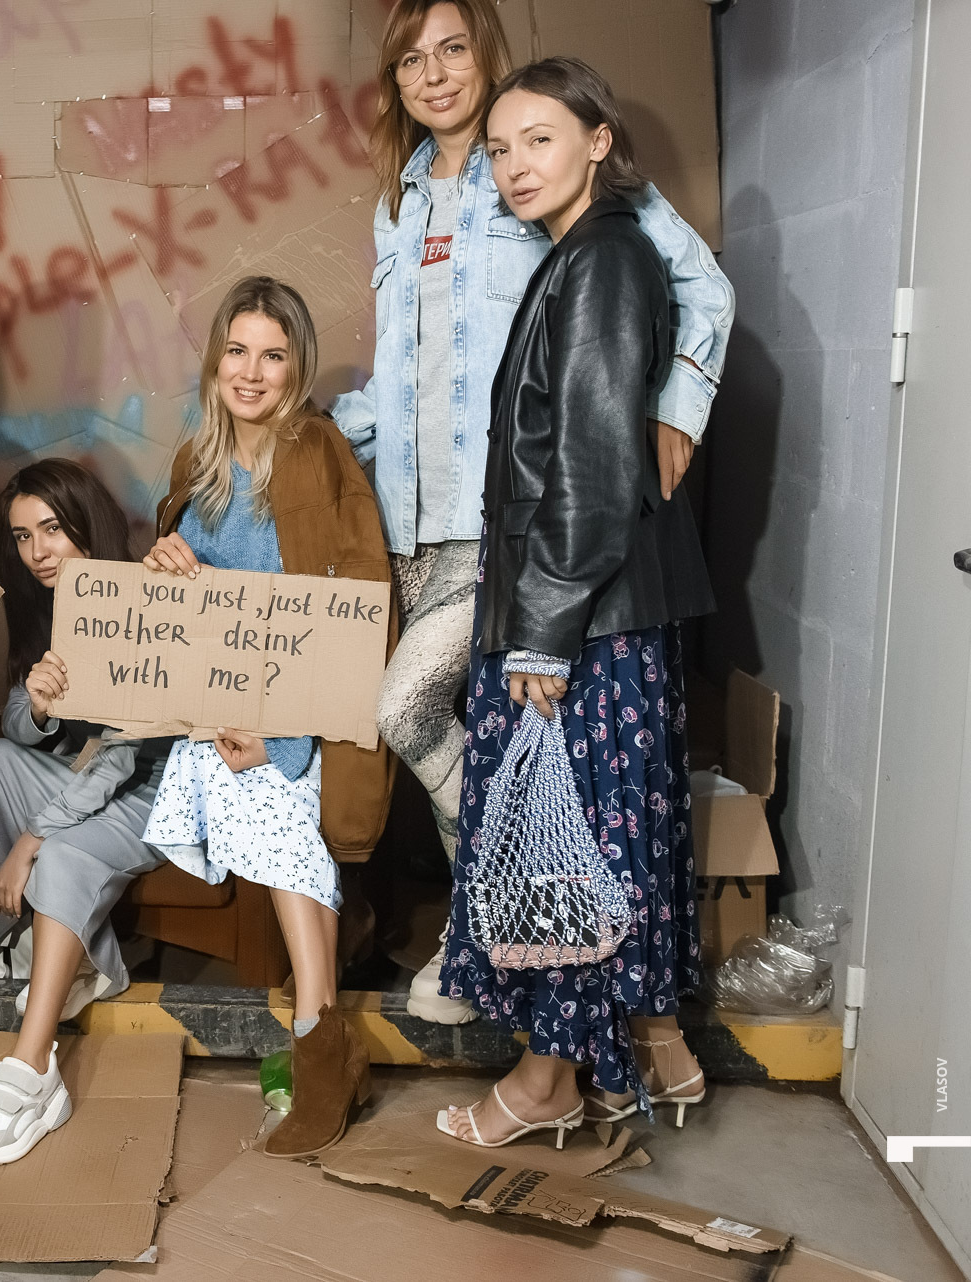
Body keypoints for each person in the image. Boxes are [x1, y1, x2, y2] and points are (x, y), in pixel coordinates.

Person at [334, 0, 733, 1025]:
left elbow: (703, 288)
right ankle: (512, 944)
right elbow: (399, 377)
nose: (433, 75)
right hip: (409, 525)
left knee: (406, 710)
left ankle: (488, 933)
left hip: (507, 528)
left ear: (487, 54)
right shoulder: (399, 202)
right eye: (410, 60)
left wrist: (674, 408)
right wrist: (304, 434)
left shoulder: (544, 166)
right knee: (489, 744)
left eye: (451, 49)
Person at [435, 58, 714, 1148]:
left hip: (579, 621)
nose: (515, 165)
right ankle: (655, 1053)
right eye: (500, 149)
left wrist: (541, 636)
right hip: (595, 612)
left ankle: (549, 1082)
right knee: (598, 840)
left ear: (599, 141)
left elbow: (593, 471)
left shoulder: (600, 260)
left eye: (539, 139)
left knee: (562, 847)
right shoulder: (588, 255)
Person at [140, 277, 393, 1159]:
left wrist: (286, 733)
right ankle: (323, 1039)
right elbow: (191, 608)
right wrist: (164, 559)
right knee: (253, 796)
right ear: (215, 362)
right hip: (220, 712)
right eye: (237, 352)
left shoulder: (317, 450)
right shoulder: (197, 461)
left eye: (273, 356)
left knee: (271, 799)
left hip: (308, 712)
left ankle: (317, 1035)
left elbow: (357, 598)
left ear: (297, 367)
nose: (251, 373)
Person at [0, 459, 172, 1165]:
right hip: (85, 779)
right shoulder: (46, 602)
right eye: (22, 537)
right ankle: (17, 950)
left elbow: (119, 757)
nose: (37, 551)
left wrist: (32, 840)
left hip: (149, 793)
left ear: (86, 524)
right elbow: (17, 720)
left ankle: (32, 1068)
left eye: (51, 529)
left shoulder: (137, 597)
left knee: (63, 853)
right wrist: (41, 705)